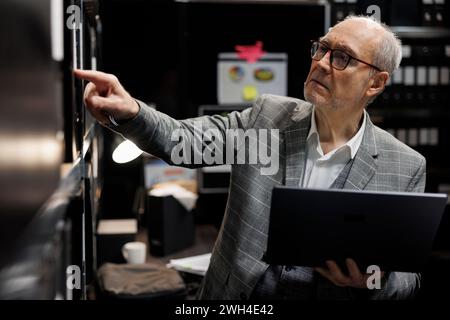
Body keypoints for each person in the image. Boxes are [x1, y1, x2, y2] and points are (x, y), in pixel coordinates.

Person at [75, 15, 425, 300]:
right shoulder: (268, 118)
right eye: (321, 49)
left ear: (375, 83)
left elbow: (407, 280)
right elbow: (182, 140)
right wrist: (131, 111)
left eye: (342, 57)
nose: (320, 63)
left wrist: (368, 282)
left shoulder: (405, 165)